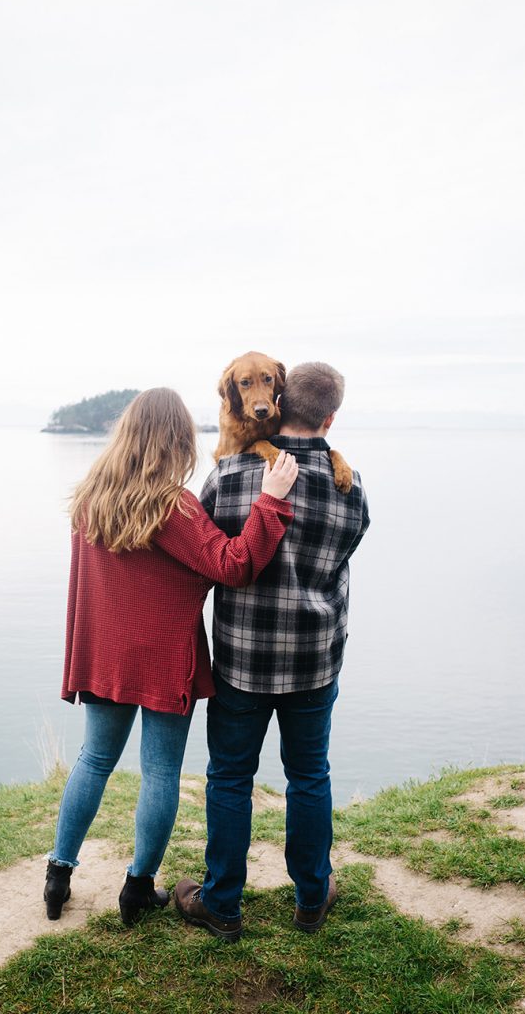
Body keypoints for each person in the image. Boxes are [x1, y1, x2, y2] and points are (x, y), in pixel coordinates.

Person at [44, 387, 299, 923]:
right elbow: (232, 564)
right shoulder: (172, 505)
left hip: (107, 655)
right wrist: (271, 500)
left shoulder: (91, 499)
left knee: (94, 760)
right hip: (163, 659)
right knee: (160, 772)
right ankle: (138, 889)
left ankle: (58, 875)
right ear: (178, 440)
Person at [175, 362, 370, 941]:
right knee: (309, 776)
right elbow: (349, 545)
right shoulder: (349, 483)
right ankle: (311, 899)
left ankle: (222, 906)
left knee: (230, 778)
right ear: (329, 418)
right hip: (314, 659)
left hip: (242, 661)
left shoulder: (230, 474)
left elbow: (204, 555)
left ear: (278, 402)